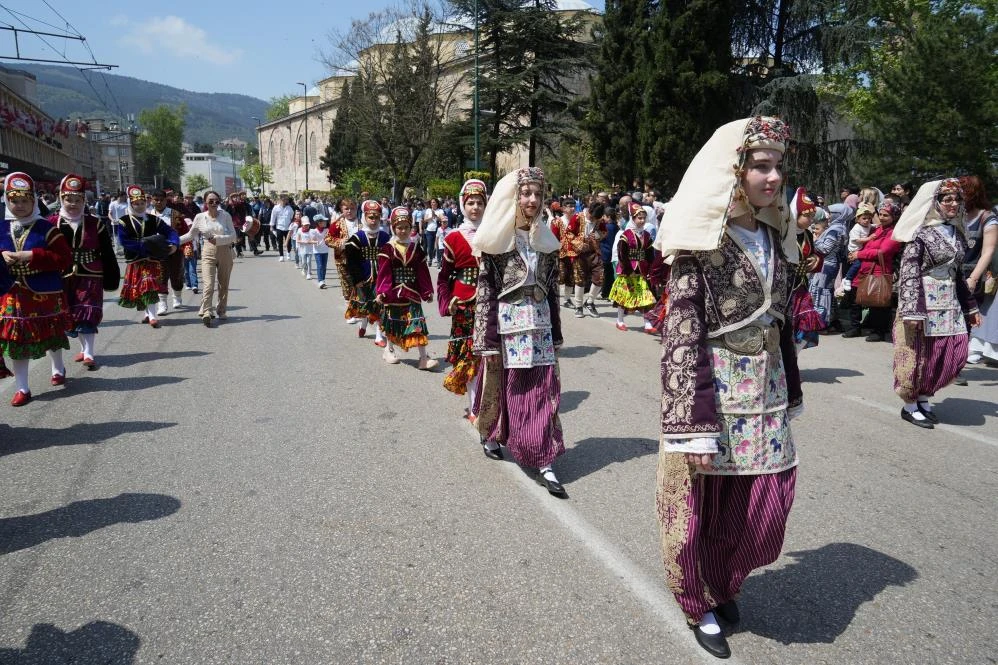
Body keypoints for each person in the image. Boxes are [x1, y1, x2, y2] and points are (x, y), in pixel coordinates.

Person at [653, 117, 802, 659]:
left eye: (778, 166)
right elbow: (681, 335)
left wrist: (791, 387)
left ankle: (723, 579)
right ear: (733, 173)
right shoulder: (698, 247)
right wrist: (690, 422)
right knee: (701, 506)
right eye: (761, 166)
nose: (774, 177)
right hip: (713, 397)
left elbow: (781, 322)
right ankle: (699, 601)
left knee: (761, 505)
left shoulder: (775, 239)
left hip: (766, 394)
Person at [471, 167, 567, 498]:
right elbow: (486, 292)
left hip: (540, 328)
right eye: (526, 193)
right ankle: (493, 434)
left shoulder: (546, 243)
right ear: (515, 197)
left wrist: (556, 333)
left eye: (538, 194)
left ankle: (542, 457)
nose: (533, 200)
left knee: (541, 391)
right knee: (503, 387)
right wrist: (487, 340)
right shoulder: (497, 244)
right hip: (507, 329)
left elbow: (552, 293)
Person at [892, 179, 980, 428]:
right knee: (917, 354)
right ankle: (910, 405)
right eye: (947, 199)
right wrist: (912, 310)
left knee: (951, 352)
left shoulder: (957, 233)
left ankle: (924, 395)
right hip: (922, 303)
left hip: (949, 302)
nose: (953, 204)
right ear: (935, 202)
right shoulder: (920, 235)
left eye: (957, 199)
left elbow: (958, 274)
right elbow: (909, 272)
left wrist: (970, 306)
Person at [0, 172, 73, 406]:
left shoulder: (47, 228)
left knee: (51, 332)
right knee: (16, 340)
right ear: (6, 201)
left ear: (33, 201)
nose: (19, 205)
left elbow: (65, 259)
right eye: (14, 201)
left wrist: (32, 255)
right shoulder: (1, 227)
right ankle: (22, 387)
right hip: (12, 293)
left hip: (44, 291)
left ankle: (58, 367)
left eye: (25, 200)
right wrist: (2, 255)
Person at [53, 174, 119, 369]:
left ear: (84, 201)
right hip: (63, 276)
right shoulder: (52, 223)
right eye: (68, 199)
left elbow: (107, 251)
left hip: (91, 275)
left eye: (77, 200)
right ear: (61, 199)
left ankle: (89, 352)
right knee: (70, 314)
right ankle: (83, 348)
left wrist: (112, 277)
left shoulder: (95, 223)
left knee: (88, 311)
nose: (73, 204)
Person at [438, 179, 488, 410]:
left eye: (479, 202)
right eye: (470, 203)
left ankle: (490, 401)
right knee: (469, 355)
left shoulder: (496, 235)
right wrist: (447, 301)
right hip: (464, 305)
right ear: (462, 205)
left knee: (490, 353)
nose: (475, 207)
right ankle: (474, 403)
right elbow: (443, 276)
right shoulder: (453, 238)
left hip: (491, 302)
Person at [375, 207, 438, 369]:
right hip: (393, 293)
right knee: (392, 323)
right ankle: (389, 350)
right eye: (399, 227)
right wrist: (382, 291)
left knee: (417, 323)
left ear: (411, 228)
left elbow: (422, 272)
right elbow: (384, 272)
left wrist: (427, 291)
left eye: (406, 227)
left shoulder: (417, 248)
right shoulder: (387, 248)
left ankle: (423, 357)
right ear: (393, 228)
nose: (403, 231)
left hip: (413, 292)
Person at [117, 185, 179, 329]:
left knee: (149, 285)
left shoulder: (153, 219)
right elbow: (124, 241)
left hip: (152, 260)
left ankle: (152, 316)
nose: (140, 206)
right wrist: (145, 246)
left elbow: (170, 231)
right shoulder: (124, 221)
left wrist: (174, 244)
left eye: (142, 203)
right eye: (136, 204)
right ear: (130, 204)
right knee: (141, 288)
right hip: (136, 260)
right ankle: (147, 313)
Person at [842, 199, 904, 341]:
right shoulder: (876, 229)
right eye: (880, 214)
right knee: (855, 299)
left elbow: (882, 252)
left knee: (878, 302)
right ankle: (855, 327)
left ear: (894, 217)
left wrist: (859, 254)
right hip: (863, 269)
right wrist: (856, 254)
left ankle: (879, 331)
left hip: (878, 270)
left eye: (886, 215)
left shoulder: (894, 233)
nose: (881, 217)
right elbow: (865, 245)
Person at [179, 190, 236, 327]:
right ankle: (206, 311)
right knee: (208, 284)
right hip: (208, 251)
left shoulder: (225, 215)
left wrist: (218, 239)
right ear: (205, 202)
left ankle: (221, 310)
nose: (214, 203)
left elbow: (233, 236)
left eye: (217, 201)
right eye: (211, 201)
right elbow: (190, 235)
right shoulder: (200, 217)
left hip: (225, 251)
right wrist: (173, 241)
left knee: (223, 284)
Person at [343, 200, 391, 345]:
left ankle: (379, 336)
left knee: (380, 305)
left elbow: (391, 258)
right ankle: (363, 324)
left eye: (376, 217)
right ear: (364, 217)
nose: (374, 221)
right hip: (363, 277)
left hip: (381, 277)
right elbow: (351, 261)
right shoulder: (357, 237)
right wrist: (357, 279)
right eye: (371, 217)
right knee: (365, 305)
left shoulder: (385, 237)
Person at [962, 177, 998, 365]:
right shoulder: (955, 215)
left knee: (968, 319)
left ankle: (958, 361)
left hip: (973, 276)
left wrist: (974, 278)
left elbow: (988, 251)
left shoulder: (988, 218)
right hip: (953, 274)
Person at [788, 187, 826, 350]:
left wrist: (815, 258)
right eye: (808, 216)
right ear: (796, 214)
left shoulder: (807, 234)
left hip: (801, 287)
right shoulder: (784, 234)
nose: (811, 220)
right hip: (785, 288)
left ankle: (794, 356)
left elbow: (814, 253)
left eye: (812, 216)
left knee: (803, 325)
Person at [608, 203, 657, 332]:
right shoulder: (626, 235)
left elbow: (649, 254)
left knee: (645, 296)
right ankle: (619, 320)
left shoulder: (646, 235)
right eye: (639, 218)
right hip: (628, 270)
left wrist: (651, 269)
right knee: (624, 296)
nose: (642, 220)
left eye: (643, 218)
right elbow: (622, 254)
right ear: (633, 219)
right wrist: (628, 270)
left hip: (642, 270)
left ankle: (647, 323)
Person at [810, 203, 853, 333]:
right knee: (826, 293)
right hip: (830, 264)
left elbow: (825, 248)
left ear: (838, 215)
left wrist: (813, 240)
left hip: (826, 265)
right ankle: (831, 321)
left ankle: (821, 323)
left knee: (821, 293)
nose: (828, 216)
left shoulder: (835, 230)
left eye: (831, 213)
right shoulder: (840, 228)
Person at [312, 214, 330, 289]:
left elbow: (329, 238)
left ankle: (323, 280)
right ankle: (320, 281)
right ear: (319, 223)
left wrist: (328, 239)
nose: (325, 222)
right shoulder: (314, 231)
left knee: (324, 266)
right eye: (323, 221)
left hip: (325, 250)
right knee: (320, 265)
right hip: (317, 251)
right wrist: (315, 242)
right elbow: (311, 240)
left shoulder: (327, 230)